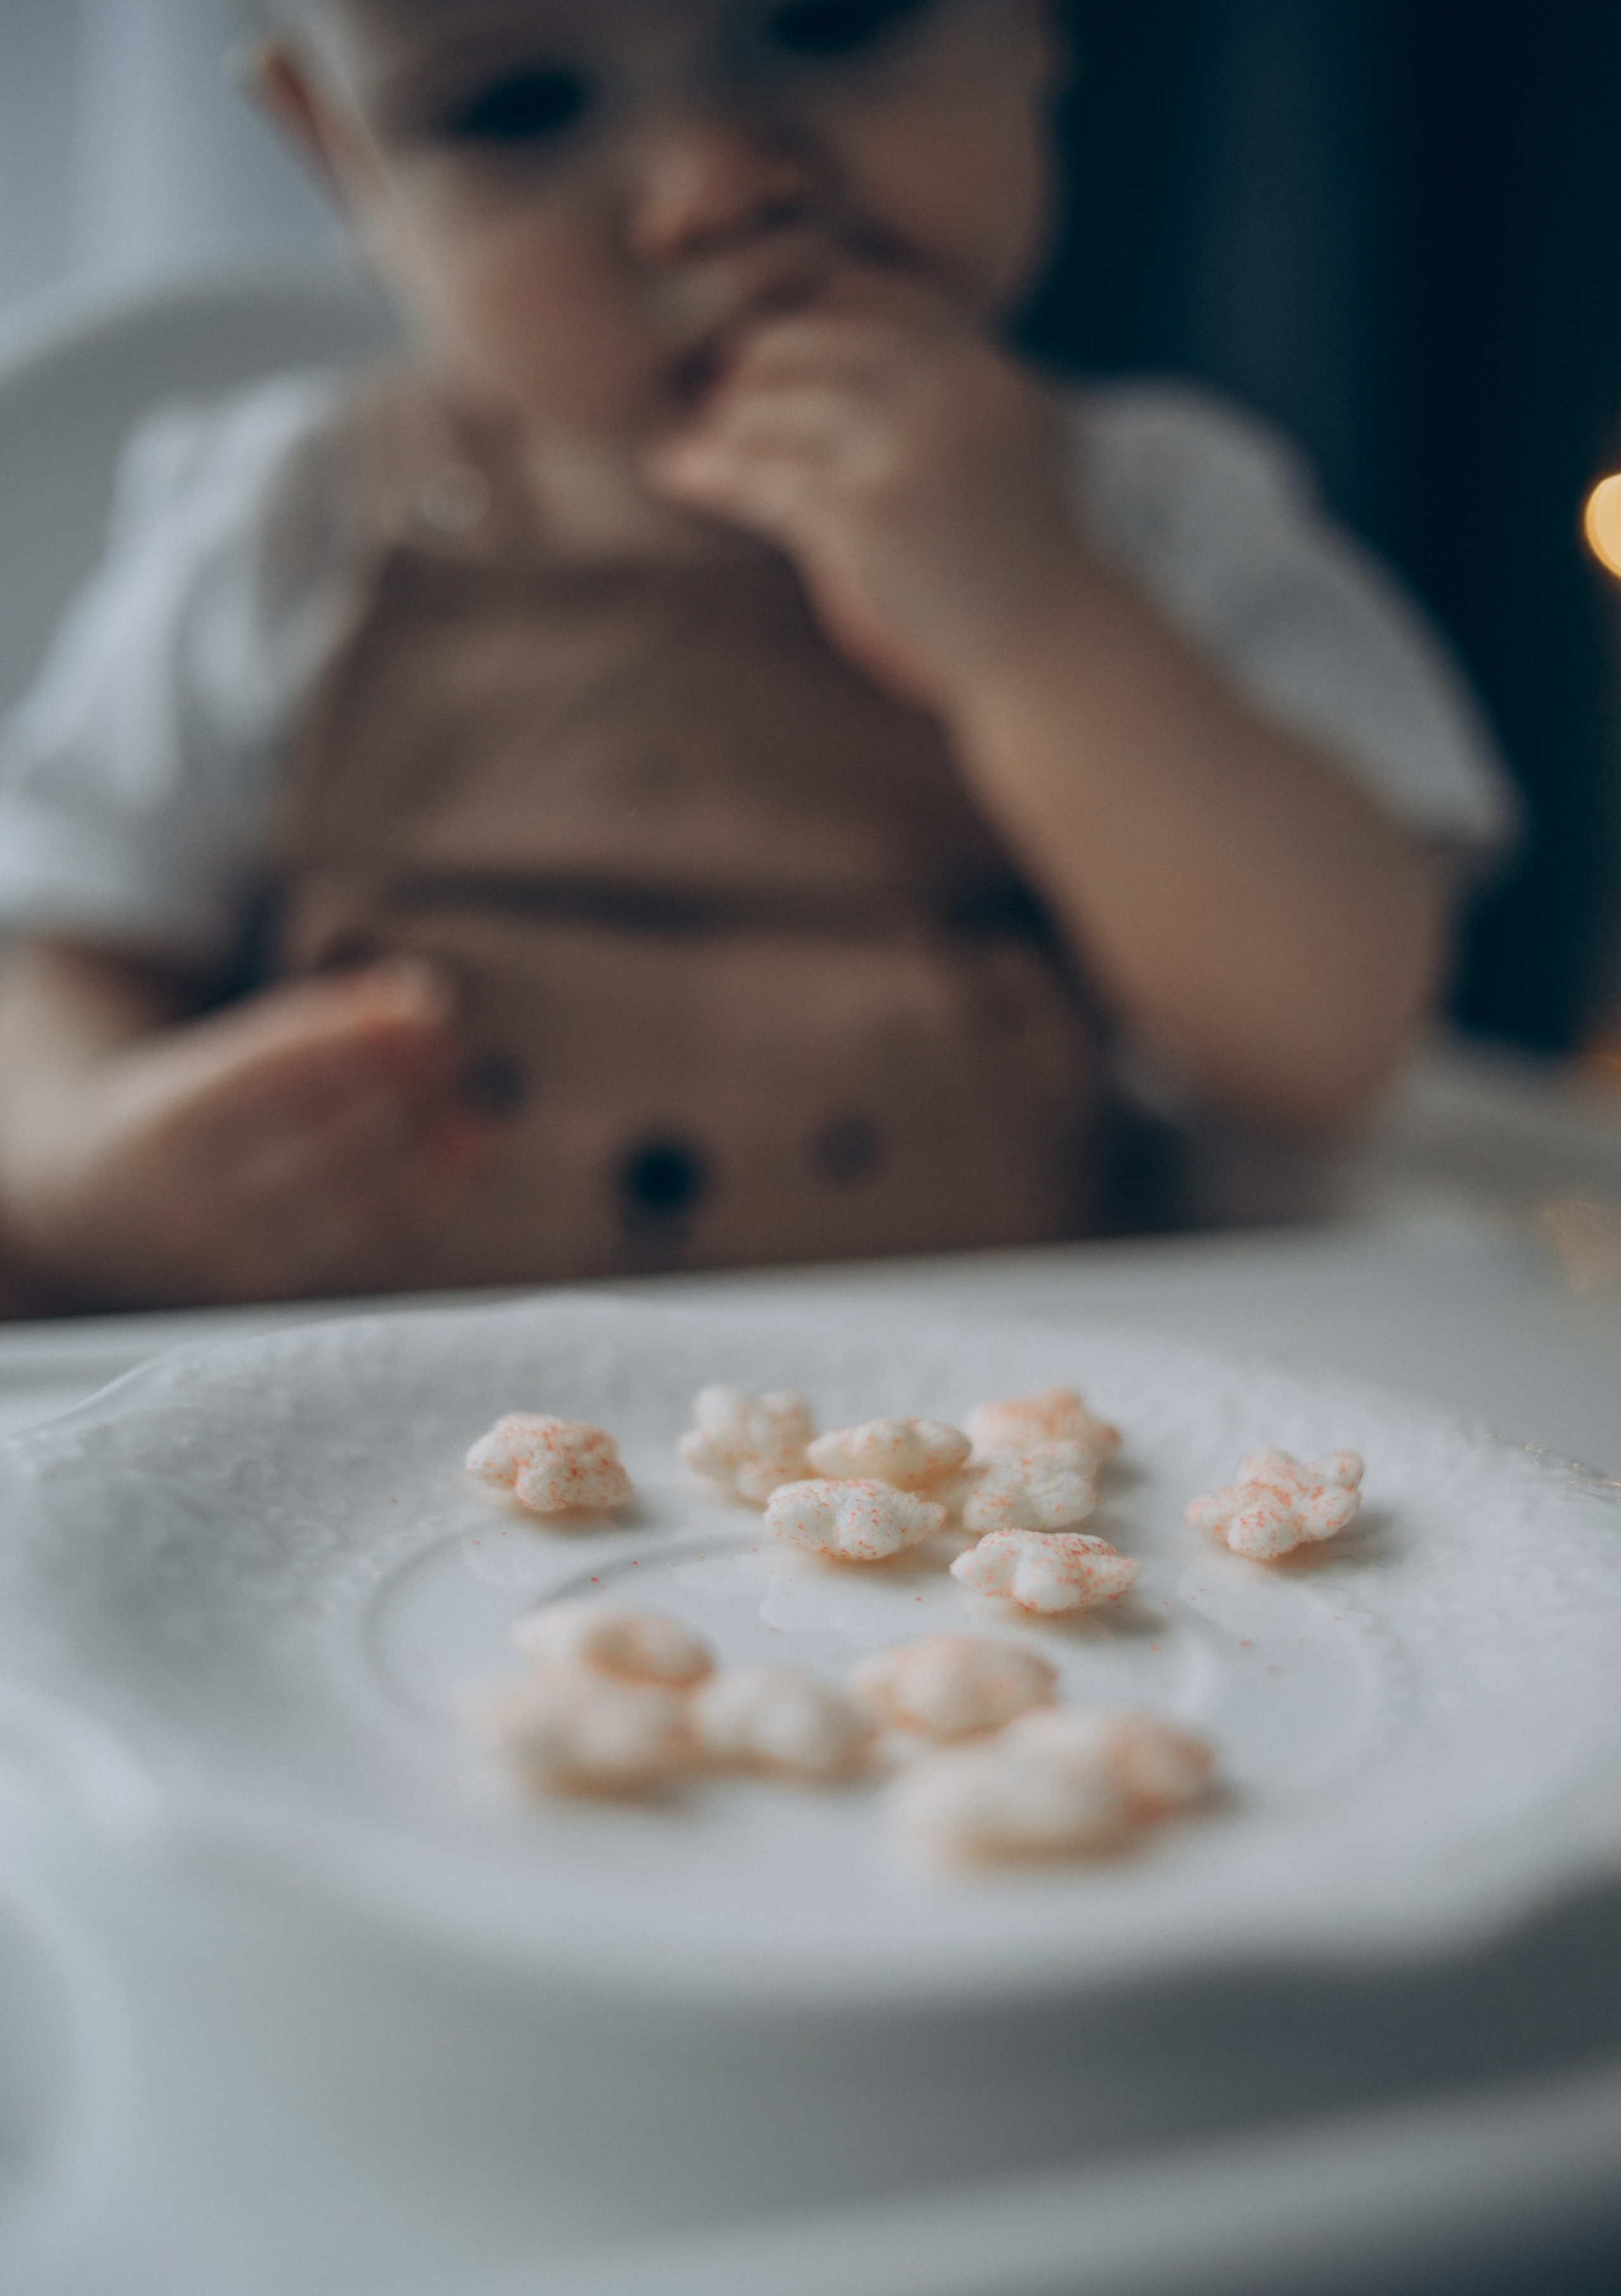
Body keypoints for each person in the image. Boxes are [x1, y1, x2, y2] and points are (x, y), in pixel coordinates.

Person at [0, 0, 1513, 1314]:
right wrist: (88, 1160)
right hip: (392, 1459)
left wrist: (1035, 621)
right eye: (514, 104)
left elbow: (1327, 1043)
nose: (715, 190)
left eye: (833, 17)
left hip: (993, 1473)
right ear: (341, 155)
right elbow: (53, 943)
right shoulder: (286, 528)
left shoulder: (1147, 517)